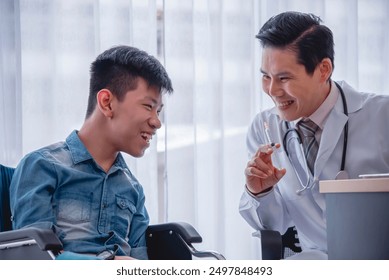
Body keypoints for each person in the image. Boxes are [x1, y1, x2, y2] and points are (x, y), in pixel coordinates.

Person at [239, 11, 389, 259]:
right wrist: (259, 192)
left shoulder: (381, 116)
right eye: (266, 76)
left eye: (284, 78)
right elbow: (275, 226)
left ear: (323, 69)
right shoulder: (264, 128)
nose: (272, 90)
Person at [10, 45, 173, 260]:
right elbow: (33, 258)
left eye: (158, 111)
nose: (157, 122)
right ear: (107, 103)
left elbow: (140, 265)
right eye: (148, 106)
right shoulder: (43, 166)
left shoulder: (133, 190)